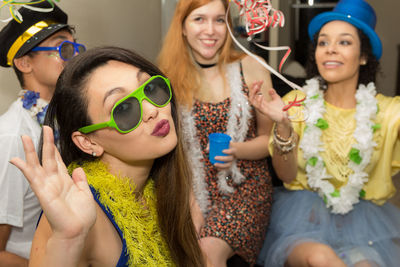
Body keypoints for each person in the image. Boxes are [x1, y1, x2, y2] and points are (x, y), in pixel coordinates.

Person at [10, 46, 205, 267]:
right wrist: (68, 240)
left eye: (150, 88)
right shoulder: (81, 212)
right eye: (124, 109)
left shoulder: (167, 186)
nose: (152, 110)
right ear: (88, 141)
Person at [250, 0, 400, 266]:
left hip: (365, 228)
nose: (330, 49)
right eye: (323, 42)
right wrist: (283, 125)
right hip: (303, 223)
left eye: (344, 42)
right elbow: (285, 175)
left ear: (363, 56)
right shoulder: (297, 104)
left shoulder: (389, 113)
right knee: (322, 259)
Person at [158, 0, 277, 265]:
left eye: (219, 20)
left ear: (229, 27)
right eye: (199, 19)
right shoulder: (167, 79)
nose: (210, 30)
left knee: (205, 255)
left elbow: (269, 140)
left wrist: (237, 150)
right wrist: (190, 204)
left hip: (246, 189)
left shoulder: (252, 66)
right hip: (191, 190)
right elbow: (168, 153)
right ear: (183, 28)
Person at [0, 2, 83, 265]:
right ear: (24, 63)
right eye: (63, 48)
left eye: (76, 47)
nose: (75, 57)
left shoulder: (63, 120)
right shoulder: (13, 136)